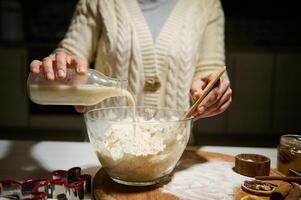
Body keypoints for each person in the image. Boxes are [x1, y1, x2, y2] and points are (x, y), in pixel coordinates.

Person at [29, 0, 232, 120]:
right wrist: (58, 66)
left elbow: (210, 68)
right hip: (106, 148)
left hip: (176, 152)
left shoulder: (207, 4)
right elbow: (72, 52)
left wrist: (211, 89)